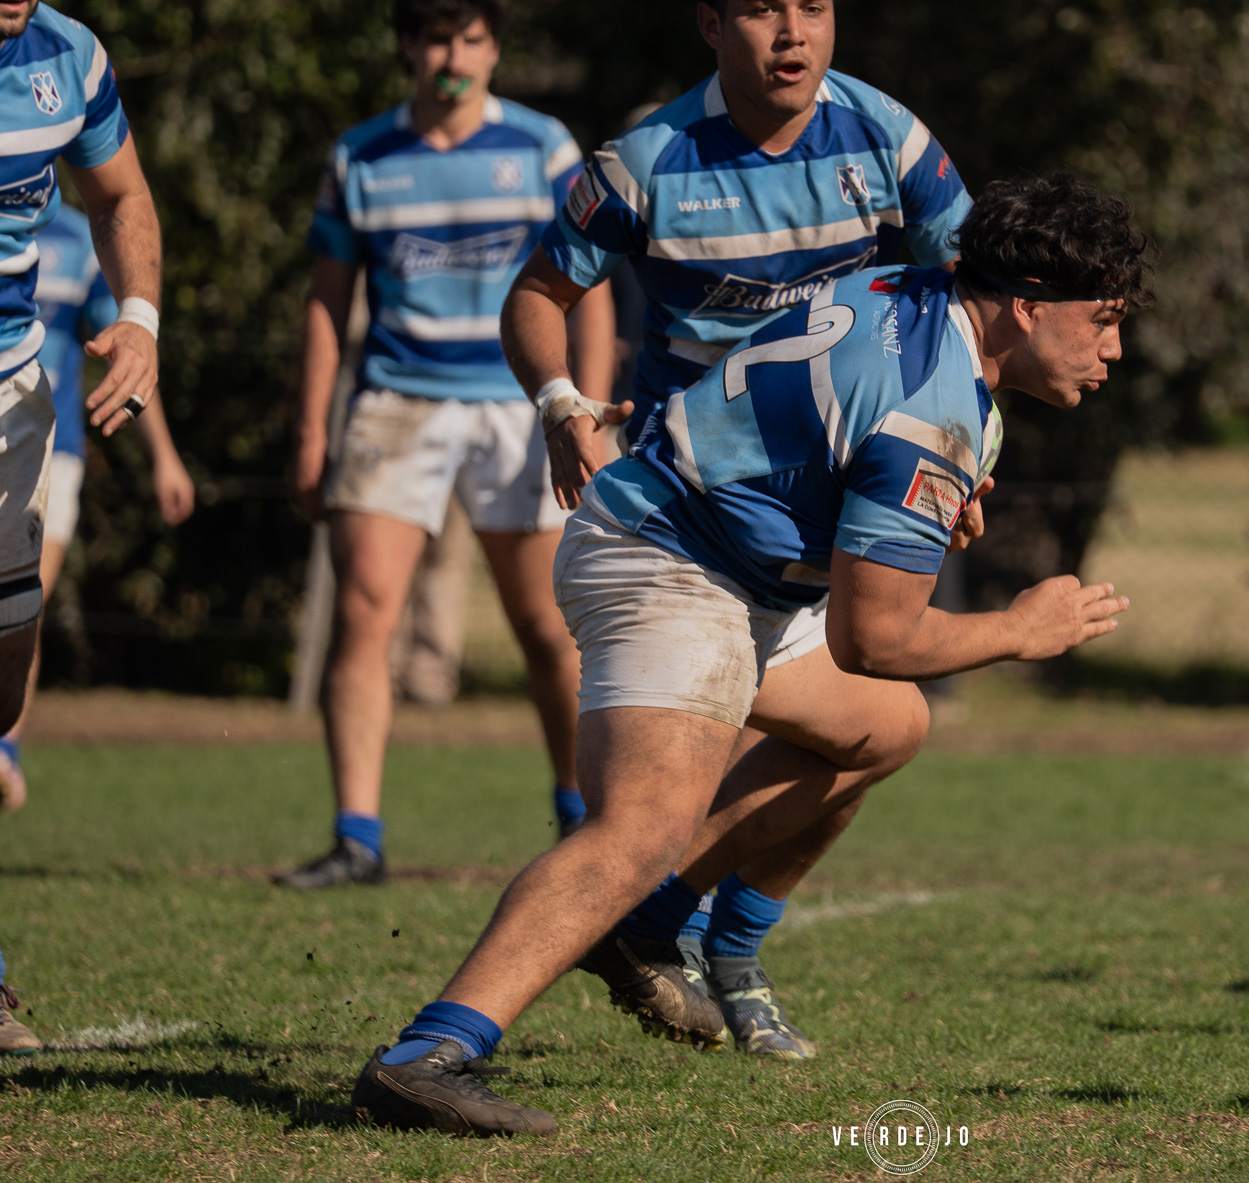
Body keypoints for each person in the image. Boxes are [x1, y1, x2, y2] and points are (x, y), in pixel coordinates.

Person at [349, 173, 1151, 1136]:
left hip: (737, 567)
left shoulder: (919, 287)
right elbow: (878, 636)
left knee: (886, 727)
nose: (1114, 348)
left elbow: (839, 437)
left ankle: (665, 926)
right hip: (669, 558)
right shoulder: (928, 413)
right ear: (1025, 307)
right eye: (1101, 321)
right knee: (639, 824)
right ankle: (427, 1053)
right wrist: (1022, 631)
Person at [519, 0, 975, 1061]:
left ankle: (726, 944)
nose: (793, 33)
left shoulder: (888, 138)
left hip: (808, 530)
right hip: (687, 522)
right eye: (765, 8)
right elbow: (541, 290)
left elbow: (975, 297)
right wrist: (558, 401)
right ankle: (459, 1031)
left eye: (813, 7)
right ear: (709, 23)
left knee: (882, 728)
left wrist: (960, 455)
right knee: (646, 821)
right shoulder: (646, 162)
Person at [277, 0, 616, 889]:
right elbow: (325, 301)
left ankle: (580, 817)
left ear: (495, 48)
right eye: (435, 39)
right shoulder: (361, 155)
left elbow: (590, 281)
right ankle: (357, 837)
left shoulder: (542, 147)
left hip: (523, 406)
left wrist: (579, 401)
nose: (452, 58)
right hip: (398, 402)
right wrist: (312, 427)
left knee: (551, 628)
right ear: (406, 48)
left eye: (470, 40)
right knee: (364, 615)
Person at [0, 0, 165, 1054]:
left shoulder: (70, 52)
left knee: (3, 676)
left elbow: (122, 196)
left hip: (12, 393)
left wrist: (140, 318)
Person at [0, 205, 196, 812]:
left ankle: (5, 752)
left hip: (51, 451)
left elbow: (127, 355)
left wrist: (163, 455)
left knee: (19, 603)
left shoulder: (84, 241)